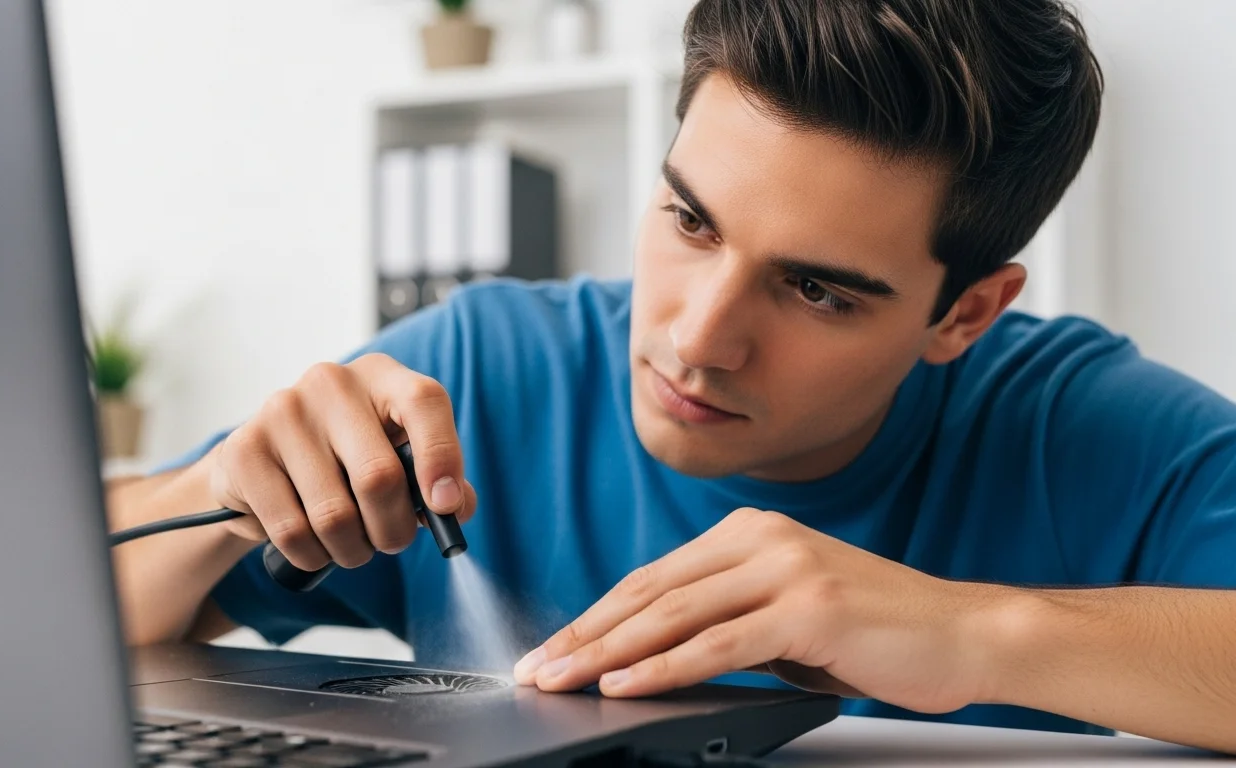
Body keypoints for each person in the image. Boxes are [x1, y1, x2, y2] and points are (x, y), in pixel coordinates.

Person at [105, 0, 1236, 752]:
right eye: (690, 221)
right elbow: (43, 610)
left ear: (965, 312)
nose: (698, 339)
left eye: (818, 291)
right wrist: (207, 500)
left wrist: (975, 634)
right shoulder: (482, 374)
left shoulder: (1100, 436)